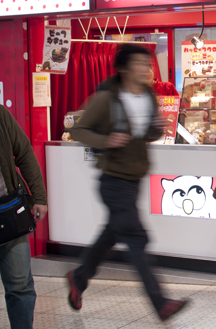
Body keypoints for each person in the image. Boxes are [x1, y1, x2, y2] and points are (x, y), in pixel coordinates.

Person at [67, 44, 188, 321]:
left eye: (146, 62)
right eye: (138, 62)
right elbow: (79, 129)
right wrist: (106, 140)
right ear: (123, 68)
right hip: (113, 181)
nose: (145, 67)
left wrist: (157, 127)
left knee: (112, 232)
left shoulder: (147, 95)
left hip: (134, 179)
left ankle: (79, 276)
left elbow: (145, 133)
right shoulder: (106, 98)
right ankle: (160, 303)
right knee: (136, 237)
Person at [0, 105, 48, 329]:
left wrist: (39, 196)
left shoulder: (0, 114)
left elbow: (24, 152)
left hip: (8, 212)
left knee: (20, 286)